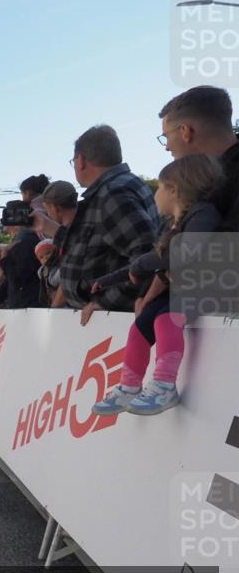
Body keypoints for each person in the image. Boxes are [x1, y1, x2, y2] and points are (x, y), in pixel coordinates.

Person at [93, 154, 224, 417]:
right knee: (141, 326)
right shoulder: (172, 225)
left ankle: (165, 385)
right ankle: (129, 386)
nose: (155, 194)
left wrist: (139, 265)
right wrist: (106, 281)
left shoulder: (204, 213)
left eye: (160, 187)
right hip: (180, 291)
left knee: (165, 319)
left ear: (174, 190)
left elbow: (180, 253)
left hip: (205, 289)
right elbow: (155, 262)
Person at [60, 125, 159, 325]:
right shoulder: (124, 186)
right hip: (105, 318)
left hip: (111, 320)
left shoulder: (112, 193)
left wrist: (107, 302)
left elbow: (147, 255)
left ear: (80, 161)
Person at [158, 86, 238, 230]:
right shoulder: (208, 179)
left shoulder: (214, 185)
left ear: (185, 132)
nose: (167, 147)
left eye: (166, 136)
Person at [0, 203, 43, 326]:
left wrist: (4, 258)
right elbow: (10, 281)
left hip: (27, 309)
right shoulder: (24, 241)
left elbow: (16, 278)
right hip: (25, 308)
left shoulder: (24, 243)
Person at [35, 239, 62, 307]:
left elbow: (56, 280)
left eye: (48, 253)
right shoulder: (42, 271)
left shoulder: (61, 265)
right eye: (41, 257)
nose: (45, 258)